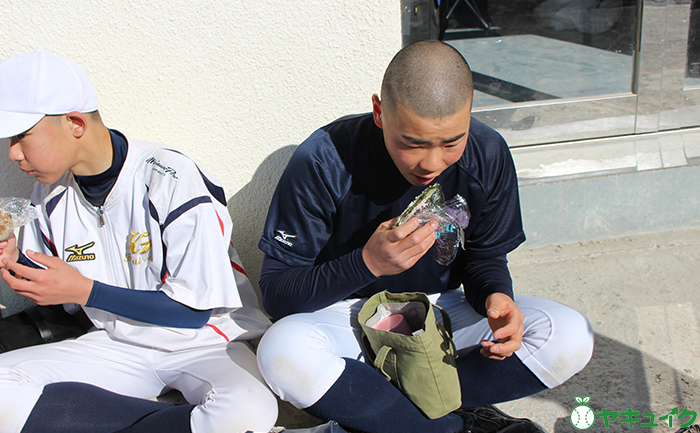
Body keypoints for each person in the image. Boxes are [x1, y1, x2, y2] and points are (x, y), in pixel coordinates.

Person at [255, 40, 594, 433]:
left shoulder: (487, 152)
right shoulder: (325, 158)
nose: (432, 164)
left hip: (441, 313)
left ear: (469, 115)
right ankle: (449, 427)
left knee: (569, 335)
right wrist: (366, 263)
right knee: (281, 351)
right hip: (348, 317)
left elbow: (484, 258)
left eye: (452, 142)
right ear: (380, 112)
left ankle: (382, 419)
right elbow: (278, 295)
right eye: (412, 143)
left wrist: (496, 298)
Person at [0, 50, 277, 433]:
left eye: (21, 136)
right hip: (116, 343)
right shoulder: (48, 194)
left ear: (75, 122)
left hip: (205, 345)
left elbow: (192, 311)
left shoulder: (170, 175)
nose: (13, 153)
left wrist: (86, 290)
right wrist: (16, 261)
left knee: (250, 409)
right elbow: (60, 291)